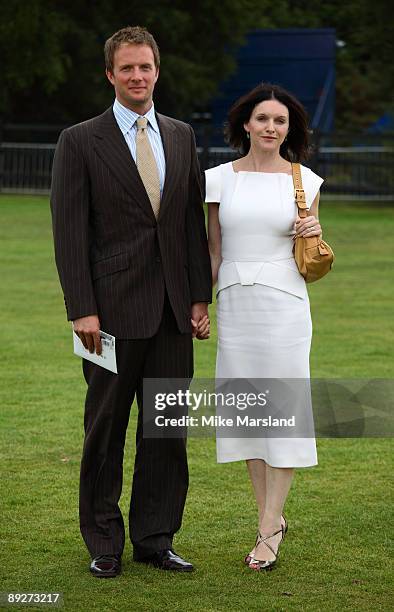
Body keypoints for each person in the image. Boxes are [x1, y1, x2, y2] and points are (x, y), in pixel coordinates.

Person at [50, 25, 211, 578]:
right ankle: (103, 542)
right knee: (105, 429)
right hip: (109, 313)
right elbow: (69, 232)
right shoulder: (79, 140)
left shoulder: (183, 135)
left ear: (156, 71)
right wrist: (81, 308)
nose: (137, 76)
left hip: (172, 313)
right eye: (127, 68)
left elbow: (190, 223)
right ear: (110, 75)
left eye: (146, 67)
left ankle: (155, 538)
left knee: (165, 430)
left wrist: (198, 297)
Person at [203, 83, 324, 571]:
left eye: (280, 121)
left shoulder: (306, 181)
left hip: (285, 306)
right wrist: (199, 304)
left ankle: (271, 526)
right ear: (245, 125)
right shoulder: (216, 180)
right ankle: (266, 521)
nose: (271, 128)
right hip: (236, 304)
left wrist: (314, 230)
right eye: (263, 119)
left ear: (288, 129)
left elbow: (313, 253)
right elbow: (213, 250)